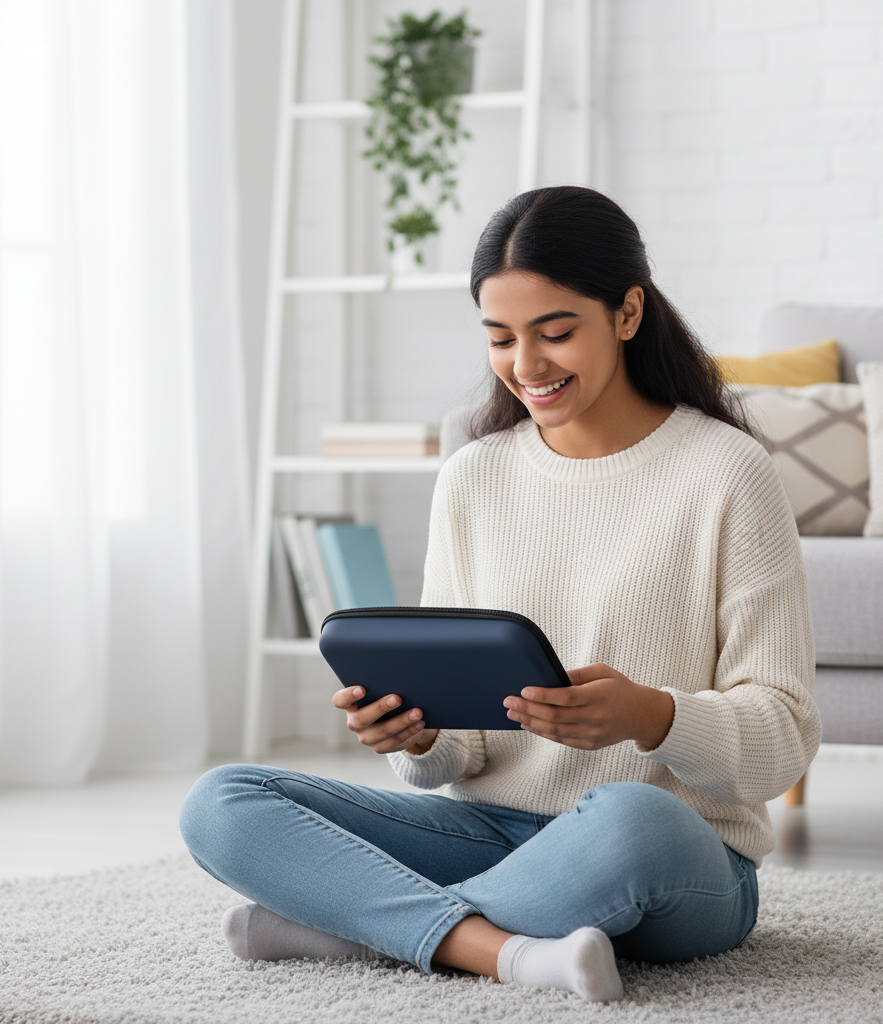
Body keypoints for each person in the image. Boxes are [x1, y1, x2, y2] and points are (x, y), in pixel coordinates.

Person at [179, 186, 821, 1004]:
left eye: (556, 332)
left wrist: (651, 716)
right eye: (500, 338)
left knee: (631, 815)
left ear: (627, 313)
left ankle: (355, 929)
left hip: (675, 855)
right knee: (224, 801)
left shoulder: (728, 474)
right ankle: (506, 950)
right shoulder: (475, 477)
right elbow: (461, 754)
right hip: (492, 833)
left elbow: (787, 736)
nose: (527, 366)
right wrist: (416, 738)